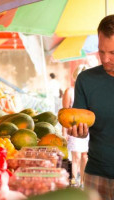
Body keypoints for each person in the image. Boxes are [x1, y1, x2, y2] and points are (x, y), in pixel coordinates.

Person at [67, 14, 114, 200]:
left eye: (112, 53)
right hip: (97, 175)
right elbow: (82, 127)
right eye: (101, 51)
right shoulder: (86, 80)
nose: (105, 59)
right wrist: (78, 132)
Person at [62, 65, 89, 187]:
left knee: (85, 156)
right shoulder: (70, 91)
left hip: (88, 129)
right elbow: (64, 113)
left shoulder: (90, 92)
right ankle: (73, 181)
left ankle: (83, 183)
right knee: (76, 155)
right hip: (73, 129)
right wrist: (63, 132)